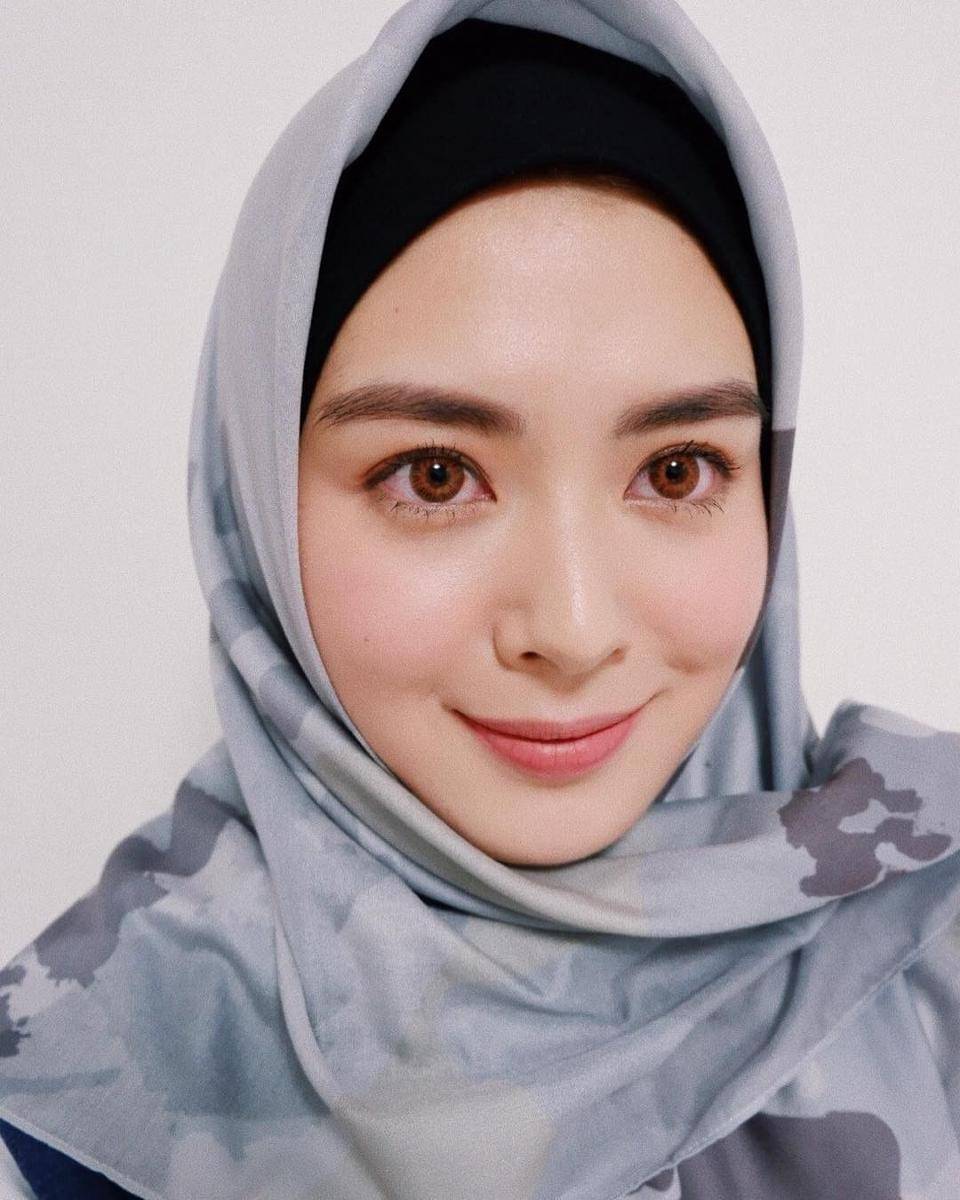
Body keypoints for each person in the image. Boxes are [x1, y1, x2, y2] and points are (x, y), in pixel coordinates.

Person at [1, 3, 958, 1198]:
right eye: (436, 476)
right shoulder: (69, 1099)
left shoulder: (932, 935)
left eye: (675, 471)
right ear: (259, 501)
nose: (571, 629)